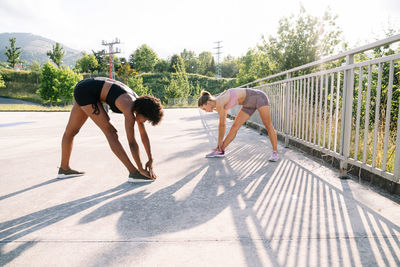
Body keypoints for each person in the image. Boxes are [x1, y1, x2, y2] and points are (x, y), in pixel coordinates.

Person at [57, 77, 164, 182]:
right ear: (142, 112)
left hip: (85, 86)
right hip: (86, 92)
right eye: (147, 119)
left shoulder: (139, 103)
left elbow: (143, 135)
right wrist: (140, 169)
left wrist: (150, 158)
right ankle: (133, 172)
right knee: (111, 132)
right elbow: (132, 142)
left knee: (72, 131)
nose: (145, 122)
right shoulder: (128, 106)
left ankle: (64, 169)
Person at [198, 88, 279, 161]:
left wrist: (219, 141)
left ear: (208, 103)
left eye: (204, 108)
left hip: (259, 97)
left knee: (268, 125)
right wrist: (220, 143)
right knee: (234, 127)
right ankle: (220, 151)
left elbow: (222, 125)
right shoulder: (218, 102)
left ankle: (275, 152)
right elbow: (223, 124)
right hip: (248, 105)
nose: (206, 111)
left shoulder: (219, 103)